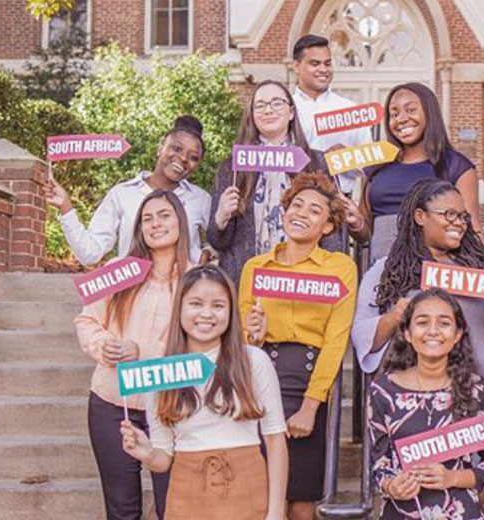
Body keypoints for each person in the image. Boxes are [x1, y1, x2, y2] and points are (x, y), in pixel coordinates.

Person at [120, 264, 288, 520]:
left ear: (231, 312)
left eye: (218, 306)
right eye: (196, 304)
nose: (207, 314)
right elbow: (164, 458)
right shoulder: (162, 371)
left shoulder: (253, 361)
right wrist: (147, 453)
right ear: (180, 308)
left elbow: (276, 440)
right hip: (186, 495)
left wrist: (275, 513)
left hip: (247, 489)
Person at [238, 172, 358, 520]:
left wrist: (310, 406)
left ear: (329, 226)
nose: (302, 213)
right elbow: (245, 341)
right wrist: (253, 334)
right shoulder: (255, 267)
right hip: (261, 377)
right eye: (297, 204)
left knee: (302, 501)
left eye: (315, 210)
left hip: (308, 380)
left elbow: (336, 341)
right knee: (261, 493)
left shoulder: (341, 268)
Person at [74, 190, 192, 519]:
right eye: (147, 218)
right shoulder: (118, 270)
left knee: (175, 508)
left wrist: (143, 351)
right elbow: (86, 320)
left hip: (174, 408)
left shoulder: (196, 278)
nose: (155, 223)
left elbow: (204, 347)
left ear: (180, 221)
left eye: (164, 215)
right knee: (122, 510)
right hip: (112, 403)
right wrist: (102, 346)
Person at [352, 178, 484, 399]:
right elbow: (362, 337)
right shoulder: (388, 270)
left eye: (462, 216)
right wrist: (394, 317)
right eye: (449, 214)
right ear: (420, 216)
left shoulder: (483, 272)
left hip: (474, 401)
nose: (458, 223)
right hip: (410, 403)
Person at [368, 288, 484, 520]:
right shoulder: (383, 391)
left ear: (458, 333)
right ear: (408, 333)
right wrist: (392, 485)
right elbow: (378, 463)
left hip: (460, 511)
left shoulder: (478, 389)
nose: (433, 331)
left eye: (444, 323)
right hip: (402, 511)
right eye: (422, 322)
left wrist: (453, 478)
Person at [207, 79, 341, 284]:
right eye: (260, 105)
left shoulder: (316, 162)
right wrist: (221, 216)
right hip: (244, 281)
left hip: (301, 281)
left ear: (291, 112)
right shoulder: (232, 167)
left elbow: (331, 232)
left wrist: (329, 275)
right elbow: (218, 241)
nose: (268, 110)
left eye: (276, 103)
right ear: (252, 115)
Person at [344, 82, 484, 263]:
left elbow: (472, 229)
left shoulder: (456, 166)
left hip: (435, 275)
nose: (401, 119)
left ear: (430, 112)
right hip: (384, 275)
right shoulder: (375, 168)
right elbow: (366, 234)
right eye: (394, 114)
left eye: (410, 110)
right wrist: (356, 223)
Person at [45, 115, 211, 266]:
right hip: (134, 294)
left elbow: (222, 242)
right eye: (176, 148)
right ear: (160, 148)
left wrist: (208, 253)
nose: (183, 158)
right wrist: (65, 207)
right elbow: (89, 254)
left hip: (183, 293)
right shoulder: (123, 194)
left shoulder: (201, 199)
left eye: (193, 157)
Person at [291, 34, 372, 195]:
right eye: (315, 64)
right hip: (292, 199)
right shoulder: (284, 109)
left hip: (339, 202)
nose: (323, 70)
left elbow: (370, 165)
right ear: (297, 66)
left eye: (327, 63)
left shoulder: (351, 110)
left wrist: (347, 159)